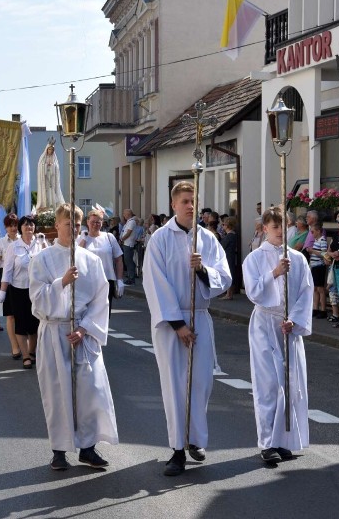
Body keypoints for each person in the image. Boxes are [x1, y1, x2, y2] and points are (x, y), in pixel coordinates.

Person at [143, 181, 232, 477]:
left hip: (201, 316)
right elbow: (155, 283)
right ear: (173, 205)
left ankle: (195, 438)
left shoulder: (207, 238)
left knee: (201, 382)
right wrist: (178, 324)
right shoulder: (159, 239)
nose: (190, 205)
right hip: (172, 323)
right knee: (175, 385)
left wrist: (203, 270)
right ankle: (177, 450)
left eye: (194, 200)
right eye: (184, 201)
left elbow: (225, 275)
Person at [29, 203, 118, 471]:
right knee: (57, 394)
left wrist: (84, 328)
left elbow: (101, 298)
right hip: (54, 332)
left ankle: (88, 447)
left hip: (83, 334)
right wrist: (62, 283)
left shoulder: (90, 260)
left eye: (77, 224)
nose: (74, 228)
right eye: (69, 224)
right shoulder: (42, 259)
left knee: (90, 391)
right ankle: (59, 450)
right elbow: (36, 300)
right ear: (57, 226)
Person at [242, 206, 313, 464]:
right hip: (265, 323)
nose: (280, 233)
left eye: (284, 227)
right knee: (268, 384)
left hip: (288, 327)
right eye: (275, 228)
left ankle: (284, 440)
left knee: (291, 384)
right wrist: (274, 273)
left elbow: (305, 292)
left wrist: (294, 319)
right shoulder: (254, 259)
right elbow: (252, 291)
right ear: (264, 229)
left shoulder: (298, 258)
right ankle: (267, 443)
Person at [0, 215, 42, 368]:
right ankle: (25, 356)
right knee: (21, 323)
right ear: (20, 228)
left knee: (35, 324)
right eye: (25, 225)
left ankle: (32, 351)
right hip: (18, 290)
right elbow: (7, 271)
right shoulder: (13, 247)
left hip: (36, 290)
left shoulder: (40, 243)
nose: (29, 228)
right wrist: (2, 291)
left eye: (31, 225)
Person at [78, 209, 124, 312]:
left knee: (105, 313)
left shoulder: (109, 237)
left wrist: (120, 279)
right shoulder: (81, 238)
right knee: (88, 313)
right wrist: (84, 239)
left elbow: (118, 259)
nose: (95, 224)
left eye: (98, 222)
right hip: (88, 281)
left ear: (102, 223)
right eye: (93, 222)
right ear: (87, 222)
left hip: (107, 280)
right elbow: (77, 256)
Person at [0, 215, 20, 358]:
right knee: (11, 315)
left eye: (15, 225)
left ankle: (25, 344)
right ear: (6, 227)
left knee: (24, 315)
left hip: (23, 278)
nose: (13, 228)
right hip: (6, 279)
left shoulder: (24, 240)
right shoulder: (0, 243)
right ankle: (15, 346)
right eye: (10, 225)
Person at [305, 223, 329, 318]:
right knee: (315, 288)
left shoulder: (322, 240)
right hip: (315, 266)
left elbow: (324, 253)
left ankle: (323, 309)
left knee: (320, 289)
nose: (312, 233)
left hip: (319, 266)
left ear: (319, 231)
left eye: (313, 232)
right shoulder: (316, 240)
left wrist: (312, 251)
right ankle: (315, 308)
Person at [36, 141, 65, 211]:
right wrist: (46, 166)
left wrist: (52, 166)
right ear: (46, 150)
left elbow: (57, 168)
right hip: (45, 180)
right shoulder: (42, 158)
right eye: (49, 149)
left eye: (52, 149)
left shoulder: (54, 158)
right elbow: (40, 167)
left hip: (52, 180)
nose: (51, 151)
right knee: (46, 194)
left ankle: (53, 207)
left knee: (52, 193)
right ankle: (45, 207)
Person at [221, 217, 239, 300]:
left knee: (229, 274)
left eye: (224, 224)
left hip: (228, 256)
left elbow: (222, 246)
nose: (222, 226)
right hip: (230, 256)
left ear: (227, 225)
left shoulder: (230, 236)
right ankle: (229, 293)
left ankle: (229, 294)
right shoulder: (232, 235)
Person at [120, 209, 139, 285]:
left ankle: (131, 278)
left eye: (124, 214)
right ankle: (130, 276)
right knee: (127, 261)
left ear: (128, 214)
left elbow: (128, 233)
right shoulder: (129, 221)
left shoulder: (131, 222)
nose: (123, 215)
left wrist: (121, 239)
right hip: (126, 243)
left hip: (128, 244)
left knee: (129, 261)